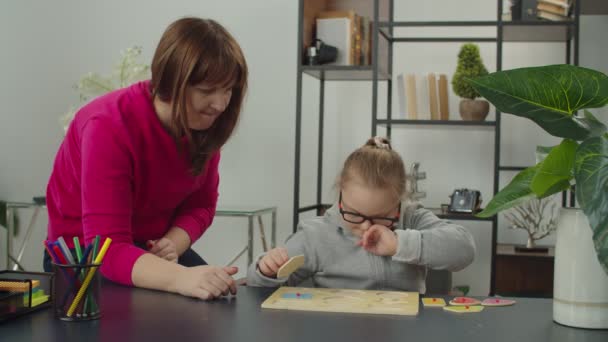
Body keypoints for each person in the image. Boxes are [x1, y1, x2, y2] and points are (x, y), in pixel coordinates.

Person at [44, 17, 248, 300]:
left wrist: (173, 243)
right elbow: (108, 249)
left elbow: (202, 206)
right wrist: (182, 278)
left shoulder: (204, 124)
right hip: (84, 259)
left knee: (220, 300)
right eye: (206, 91)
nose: (221, 104)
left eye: (228, 90)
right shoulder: (107, 125)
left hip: (148, 249)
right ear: (171, 82)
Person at [247, 137, 475, 293]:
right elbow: (259, 292)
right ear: (340, 194)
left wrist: (400, 243)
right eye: (354, 214)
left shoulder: (411, 218)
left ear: (399, 204)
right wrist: (266, 271)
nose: (366, 227)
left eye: (381, 217)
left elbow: (464, 249)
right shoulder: (315, 234)